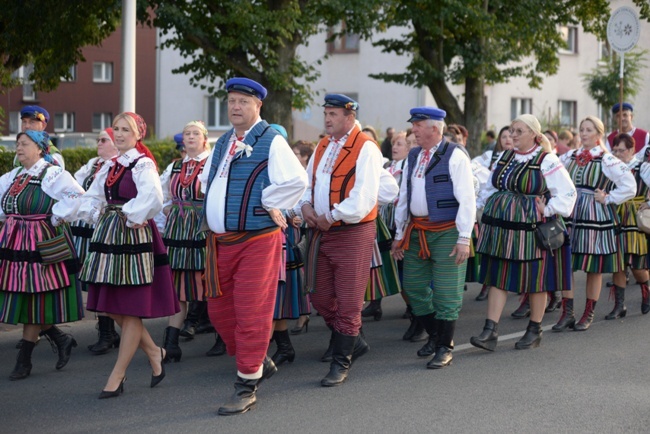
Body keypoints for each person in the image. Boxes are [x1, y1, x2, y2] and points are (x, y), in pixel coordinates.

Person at [198, 78, 307, 415]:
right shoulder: (224, 142)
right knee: (218, 311)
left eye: (243, 101)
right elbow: (210, 181)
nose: (234, 107)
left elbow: (296, 181)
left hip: (257, 241)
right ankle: (258, 361)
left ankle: (246, 386)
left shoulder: (271, 139)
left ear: (258, 105)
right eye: (231, 100)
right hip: (220, 242)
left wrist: (266, 199)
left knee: (250, 312)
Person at [77, 112, 179, 398]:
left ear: (138, 135)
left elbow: (154, 197)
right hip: (110, 235)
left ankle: (117, 375)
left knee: (130, 308)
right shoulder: (111, 165)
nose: (119, 134)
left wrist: (131, 215)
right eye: (116, 130)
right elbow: (94, 196)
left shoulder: (142, 163)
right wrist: (93, 212)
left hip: (133, 234)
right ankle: (155, 353)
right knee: (112, 306)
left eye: (126, 130)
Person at [298, 93, 392, 386]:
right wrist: (305, 206)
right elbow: (306, 183)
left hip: (352, 232)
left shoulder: (366, 147)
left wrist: (332, 215)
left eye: (334, 114)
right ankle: (354, 341)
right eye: (326, 113)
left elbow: (363, 199)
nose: (327, 119)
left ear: (350, 117)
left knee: (350, 301)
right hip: (321, 232)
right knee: (320, 297)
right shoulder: (323, 145)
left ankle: (342, 361)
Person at [469, 115, 576, 351]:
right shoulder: (505, 156)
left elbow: (568, 194)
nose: (513, 135)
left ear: (534, 136)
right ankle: (490, 330)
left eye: (519, 131)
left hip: (530, 226)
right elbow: (490, 186)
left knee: (535, 279)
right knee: (499, 274)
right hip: (501, 226)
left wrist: (547, 208)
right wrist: (479, 207)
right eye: (512, 131)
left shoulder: (546, 160)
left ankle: (534, 329)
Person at [391, 107, 476, 369]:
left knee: (446, 293)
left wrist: (464, 237)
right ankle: (435, 334)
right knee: (414, 287)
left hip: (448, 231)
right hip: (417, 231)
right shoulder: (414, 155)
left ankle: (444, 346)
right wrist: (399, 233)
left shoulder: (454, 155)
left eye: (417, 125)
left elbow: (467, 199)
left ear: (434, 129)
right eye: (414, 125)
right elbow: (404, 196)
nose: (413, 130)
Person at [1, 130, 84, 380]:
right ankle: (60, 338)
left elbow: (77, 196)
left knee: (34, 296)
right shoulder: (14, 175)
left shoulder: (52, 173)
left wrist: (56, 216)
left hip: (40, 241)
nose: (19, 148)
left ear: (39, 148)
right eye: (17, 144)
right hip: (15, 241)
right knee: (24, 296)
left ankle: (24, 359)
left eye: (24, 144)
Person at [554, 116, 635, 332]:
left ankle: (588, 313)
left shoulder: (607, 160)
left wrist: (608, 197)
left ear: (599, 134)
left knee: (594, 266)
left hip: (594, 215)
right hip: (572, 214)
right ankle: (567, 313)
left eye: (589, 129)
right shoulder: (570, 156)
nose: (584, 133)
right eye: (581, 129)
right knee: (566, 263)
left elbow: (630, 185)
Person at [159, 120, 223, 362]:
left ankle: (222, 336)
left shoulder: (212, 164)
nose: (191, 137)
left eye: (195, 133)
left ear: (205, 138)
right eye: (187, 133)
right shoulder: (175, 167)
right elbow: (161, 192)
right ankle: (171, 344)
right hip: (177, 231)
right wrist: (167, 208)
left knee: (208, 283)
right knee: (178, 288)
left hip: (202, 228)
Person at [70, 128, 121, 355]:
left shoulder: (119, 165)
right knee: (91, 279)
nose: (98, 143)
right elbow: (75, 187)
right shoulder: (93, 163)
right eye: (99, 139)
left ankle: (108, 332)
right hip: (85, 227)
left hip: (104, 226)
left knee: (101, 279)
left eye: (103, 140)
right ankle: (107, 330)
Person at [362, 131, 408, 322]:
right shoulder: (388, 165)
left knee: (402, 264)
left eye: (400, 144)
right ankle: (375, 303)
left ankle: (412, 307)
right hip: (384, 218)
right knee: (379, 261)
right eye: (393, 143)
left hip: (399, 219)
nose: (395, 147)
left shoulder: (408, 167)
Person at [607, 133, 650, 318]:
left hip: (635, 217)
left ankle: (647, 294)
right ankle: (619, 306)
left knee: (637, 265)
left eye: (621, 150)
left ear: (632, 149)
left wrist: (649, 202)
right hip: (615, 216)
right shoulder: (611, 168)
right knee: (618, 263)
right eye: (615, 150)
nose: (617, 154)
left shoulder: (643, 167)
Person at [289, 139, 316, 335]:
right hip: (292, 225)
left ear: (306, 156)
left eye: (297, 153)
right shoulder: (289, 173)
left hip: (308, 226)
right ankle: (301, 312)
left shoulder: (310, 175)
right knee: (297, 271)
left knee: (304, 270)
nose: (293, 157)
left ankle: (304, 312)